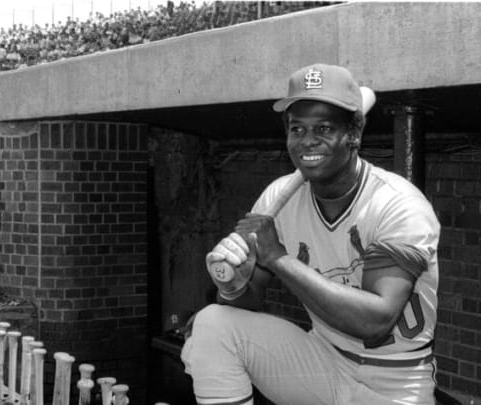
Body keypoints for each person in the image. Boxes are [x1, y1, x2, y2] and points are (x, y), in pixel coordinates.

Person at [181, 63, 440, 405]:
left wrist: (278, 258)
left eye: (324, 128)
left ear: (354, 135)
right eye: (297, 129)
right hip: (322, 364)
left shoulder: (398, 203)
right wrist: (233, 283)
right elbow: (249, 300)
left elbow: (375, 322)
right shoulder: (279, 198)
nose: (307, 141)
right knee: (212, 324)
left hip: (395, 381)